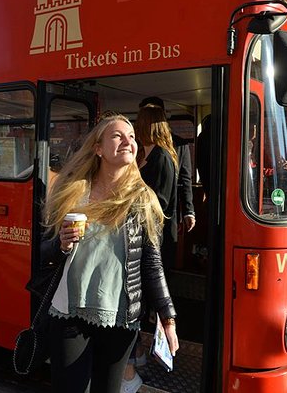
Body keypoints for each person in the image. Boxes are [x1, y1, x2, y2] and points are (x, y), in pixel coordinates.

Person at [42, 113, 178, 393]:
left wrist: (168, 318)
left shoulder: (143, 199)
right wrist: (62, 245)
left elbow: (153, 264)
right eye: (117, 135)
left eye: (131, 137)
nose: (127, 141)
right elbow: (44, 250)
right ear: (99, 148)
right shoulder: (72, 191)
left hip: (120, 317)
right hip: (69, 314)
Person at [121, 104, 179, 393]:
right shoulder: (152, 155)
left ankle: (137, 358)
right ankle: (140, 353)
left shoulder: (161, 159)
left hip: (150, 242)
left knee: (138, 302)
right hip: (143, 241)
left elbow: (161, 204)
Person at [139, 97, 196, 233]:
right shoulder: (138, 145)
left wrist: (188, 211)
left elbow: (185, 179)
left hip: (163, 213)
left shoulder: (176, 147)